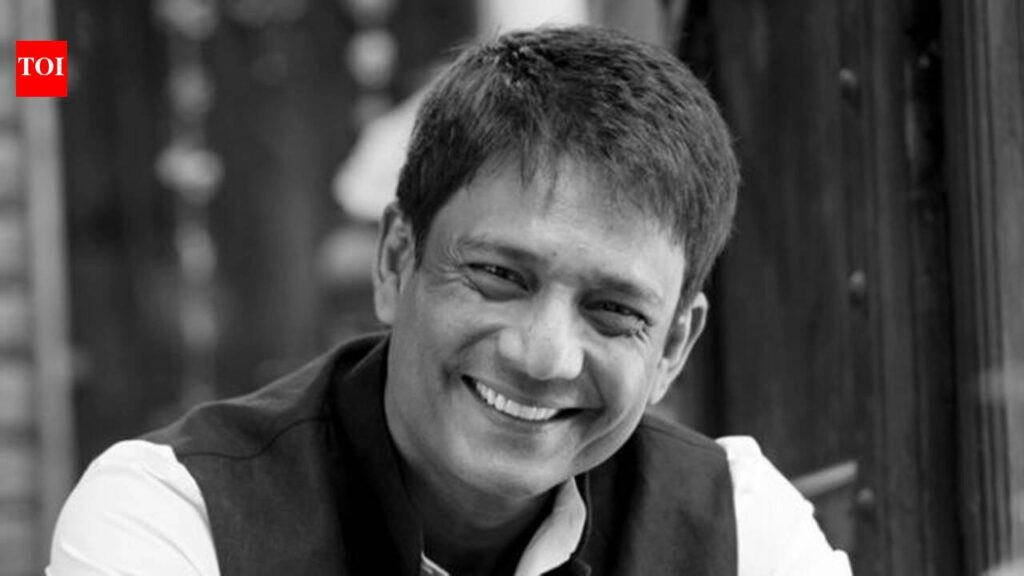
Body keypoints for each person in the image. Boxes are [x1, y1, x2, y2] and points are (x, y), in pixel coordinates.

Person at [48, 26, 852, 576]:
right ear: (397, 261)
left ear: (673, 346)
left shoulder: (740, 525)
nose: (543, 356)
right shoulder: (175, 513)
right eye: (500, 275)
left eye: (614, 311)